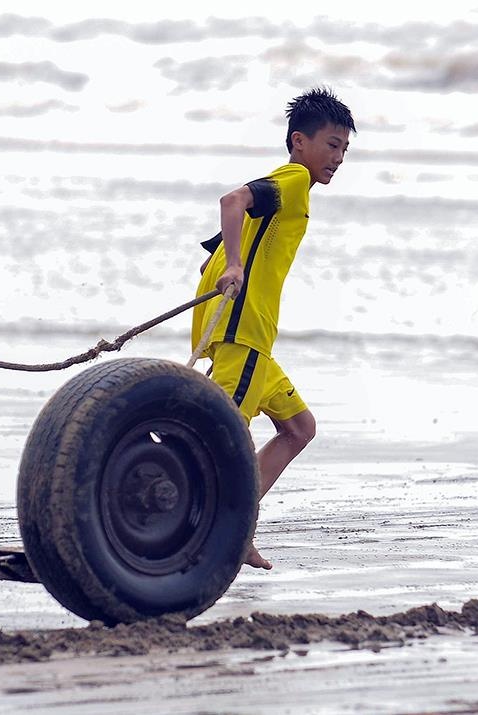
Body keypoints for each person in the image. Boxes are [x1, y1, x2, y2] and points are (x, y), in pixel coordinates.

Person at [190, 87, 355, 570]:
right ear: (299, 141)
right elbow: (232, 201)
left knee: (299, 427)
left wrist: (228, 260)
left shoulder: (290, 190)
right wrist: (235, 265)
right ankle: (219, 529)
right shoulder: (294, 179)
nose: (339, 158)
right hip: (243, 335)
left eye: (345, 149)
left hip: (252, 339)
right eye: (332, 145)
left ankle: (236, 521)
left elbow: (216, 245)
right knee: (225, 436)